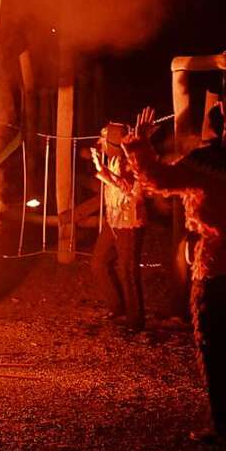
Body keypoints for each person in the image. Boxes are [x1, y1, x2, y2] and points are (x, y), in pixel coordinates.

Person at [124, 101, 226, 445]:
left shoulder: (205, 162)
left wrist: (139, 144)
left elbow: (158, 180)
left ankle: (223, 427)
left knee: (215, 349)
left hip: (216, 271)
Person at [91, 125, 147, 330]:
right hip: (113, 221)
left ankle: (136, 320)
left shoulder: (133, 161)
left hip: (129, 224)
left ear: (113, 143)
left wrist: (105, 174)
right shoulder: (114, 160)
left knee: (128, 270)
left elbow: (133, 193)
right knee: (99, 262)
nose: (100, 144)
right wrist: (103, 170)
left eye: (104, 140)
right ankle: (117, 307)